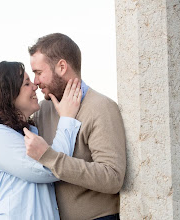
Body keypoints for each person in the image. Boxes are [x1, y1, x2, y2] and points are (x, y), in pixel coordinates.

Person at [24, 33, 126, 220]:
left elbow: (113, 178)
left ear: (62, 67)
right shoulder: (43, 109)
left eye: (39, 72)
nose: (36, 82)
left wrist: (50, 157)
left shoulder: (101, 108)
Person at [0, 61, 82, 219]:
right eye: (26, 83)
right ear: (7, 93)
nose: (35, 86)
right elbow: (49, 169)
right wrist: (67, 119)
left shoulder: (26, 131)